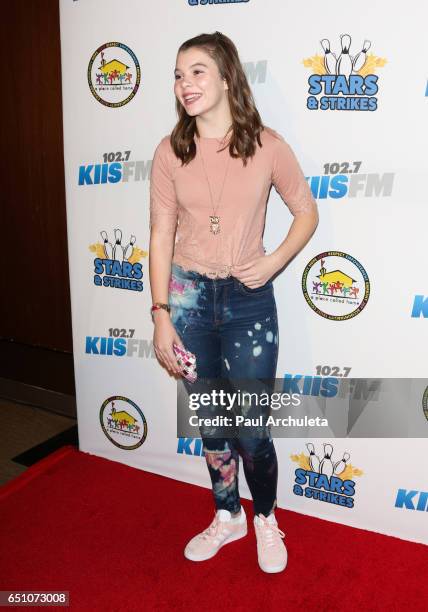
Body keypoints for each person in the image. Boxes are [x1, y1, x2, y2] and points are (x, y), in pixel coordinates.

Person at [149, 31, 318, 574]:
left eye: (197, 71)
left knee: (251, 428)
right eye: (179, 74)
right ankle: (228, 515)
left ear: (226, 78)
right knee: (213, 423)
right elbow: (159, 235)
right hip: (188, 301)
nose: (185, 84)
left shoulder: (268, 145)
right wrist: (160, 315)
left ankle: (265, 516)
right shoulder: (170, 151)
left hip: (248, 302)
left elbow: (306, 213)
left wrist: (272, 263)